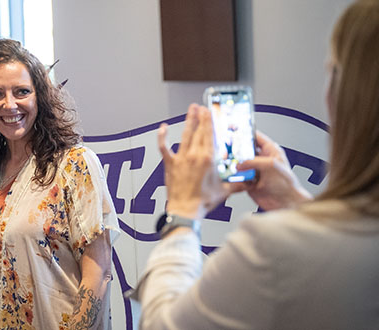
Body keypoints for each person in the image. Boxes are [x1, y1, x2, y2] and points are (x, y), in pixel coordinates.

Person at [134, 0, 379, 329]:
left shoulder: (271, 250)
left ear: (345, 95)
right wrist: (297, 205)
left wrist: (181, 215)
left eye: (330, 72)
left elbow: (162, 325)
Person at [0, 39, 119, 330]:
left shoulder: (74, 164)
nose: (9, 104)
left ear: (40, 96)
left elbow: (97, 273)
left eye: (21, 92)